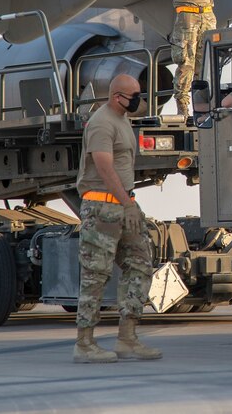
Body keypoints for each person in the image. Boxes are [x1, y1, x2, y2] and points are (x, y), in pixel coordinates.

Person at [73, 74, 161, 364]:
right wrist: (127, 203)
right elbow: (103, 166)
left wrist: (129, 205)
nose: (138, 99)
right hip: (101, 208)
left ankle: (127, 339)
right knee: (95, 276)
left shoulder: (122, 119)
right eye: (133, 95)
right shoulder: (101, 123)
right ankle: (84, 344)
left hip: (124, 207)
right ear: (116, 96)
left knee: (140, 265)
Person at [164, 0, 232, 119]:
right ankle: (183, 108)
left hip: (207, 15)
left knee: (205, 65)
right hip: (187, 15)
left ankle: (202, 108)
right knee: (186, 62)